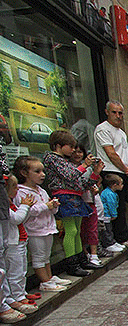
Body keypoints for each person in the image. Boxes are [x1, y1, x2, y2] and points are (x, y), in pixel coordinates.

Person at [42, 130, 102, 277]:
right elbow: (70, 176)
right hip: (64, 196)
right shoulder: (52, 159)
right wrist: (85, 165)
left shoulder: (65, 161)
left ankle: (81, 259)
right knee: (71, 230)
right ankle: (72, 263)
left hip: (76, 196)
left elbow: (82, 183)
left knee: (77, 230)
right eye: (71, 146)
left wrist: (95, 173)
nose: (73, 150)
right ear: (58, 145)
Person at [94, 100, 128, 249]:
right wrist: (125, 169)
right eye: (114, 112)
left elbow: (125, 152)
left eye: (120, 113)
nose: (118, 116)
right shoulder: (103, 129)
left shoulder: (121, 132)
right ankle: (120, 239)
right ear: (107, 112)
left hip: (124, 172)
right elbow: (111, 153)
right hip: (112, 171)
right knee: (117, 206)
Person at [12, 156, 66, 292]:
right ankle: (45, 282)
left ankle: (49, 277)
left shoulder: (41, 190)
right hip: (34, 230)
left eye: (43, 171)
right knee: (38, 257)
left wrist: (53, 206)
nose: (42, 175)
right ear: (24, 173)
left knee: (46, 256)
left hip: (47, 228)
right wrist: (46, 206)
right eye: (37, 171)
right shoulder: (21, 192)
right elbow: (28, 211)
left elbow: (49, 208)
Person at [5, 175, 37, 315]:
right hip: (13, 243)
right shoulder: (6, 206)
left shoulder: (12, 204)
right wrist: (25, 206)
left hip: (20, 240)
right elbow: (16, 219)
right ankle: (17, 296)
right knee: (15, 271)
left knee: (22, 269)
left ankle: (21, 292)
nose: (17, 190)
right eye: (14, 187)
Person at [70, 143, 104, 269]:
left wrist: (95, 182)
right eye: (74, 151)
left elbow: (91, 182)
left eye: (80, 152)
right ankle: (84, 254)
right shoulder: (70, 168)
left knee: (92, 228)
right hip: (77, 202)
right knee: (80, 230)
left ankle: (94, 254)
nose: (77, 154)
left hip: (90, 200)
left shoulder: (89, 169)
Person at [100, 174, 125, 253]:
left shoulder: (110, 193)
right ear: (115, 185)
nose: (122, 186)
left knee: (109, 228)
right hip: (106, 214)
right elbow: (111, 205)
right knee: (107, 230)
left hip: (107, 214)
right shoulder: (109, 194)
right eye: (121, 184)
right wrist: (114, 214)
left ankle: (112, 242)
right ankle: (109, 244)